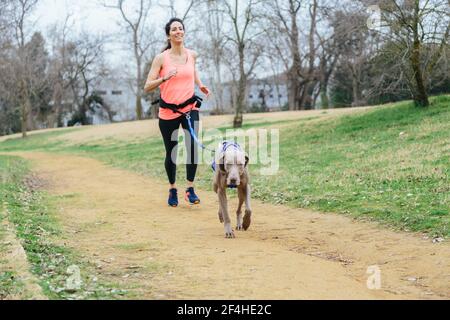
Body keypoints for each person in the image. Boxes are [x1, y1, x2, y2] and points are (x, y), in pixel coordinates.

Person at [144, 17, 210, 207]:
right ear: (168, 35)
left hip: (189, 109)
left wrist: (201, 85)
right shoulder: (161, 58)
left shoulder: (192, 55)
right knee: (171, 152)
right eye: (174, 29)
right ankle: (173, 188)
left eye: (180, 28)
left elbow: (193, 71)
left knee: (192, 149)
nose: (178, 31)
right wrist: (164, 78)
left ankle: (190, 188)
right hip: (168, 111)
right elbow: (147, 86)